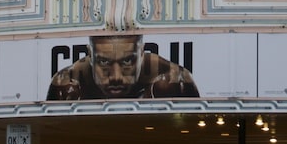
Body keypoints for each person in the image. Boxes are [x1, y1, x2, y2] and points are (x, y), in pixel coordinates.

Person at [46, 35, 199, 100]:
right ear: (90, 55)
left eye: (127, 61)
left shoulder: (172, 80)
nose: (116, 77)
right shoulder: (68, 84)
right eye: (104, 62)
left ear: (141, 53)